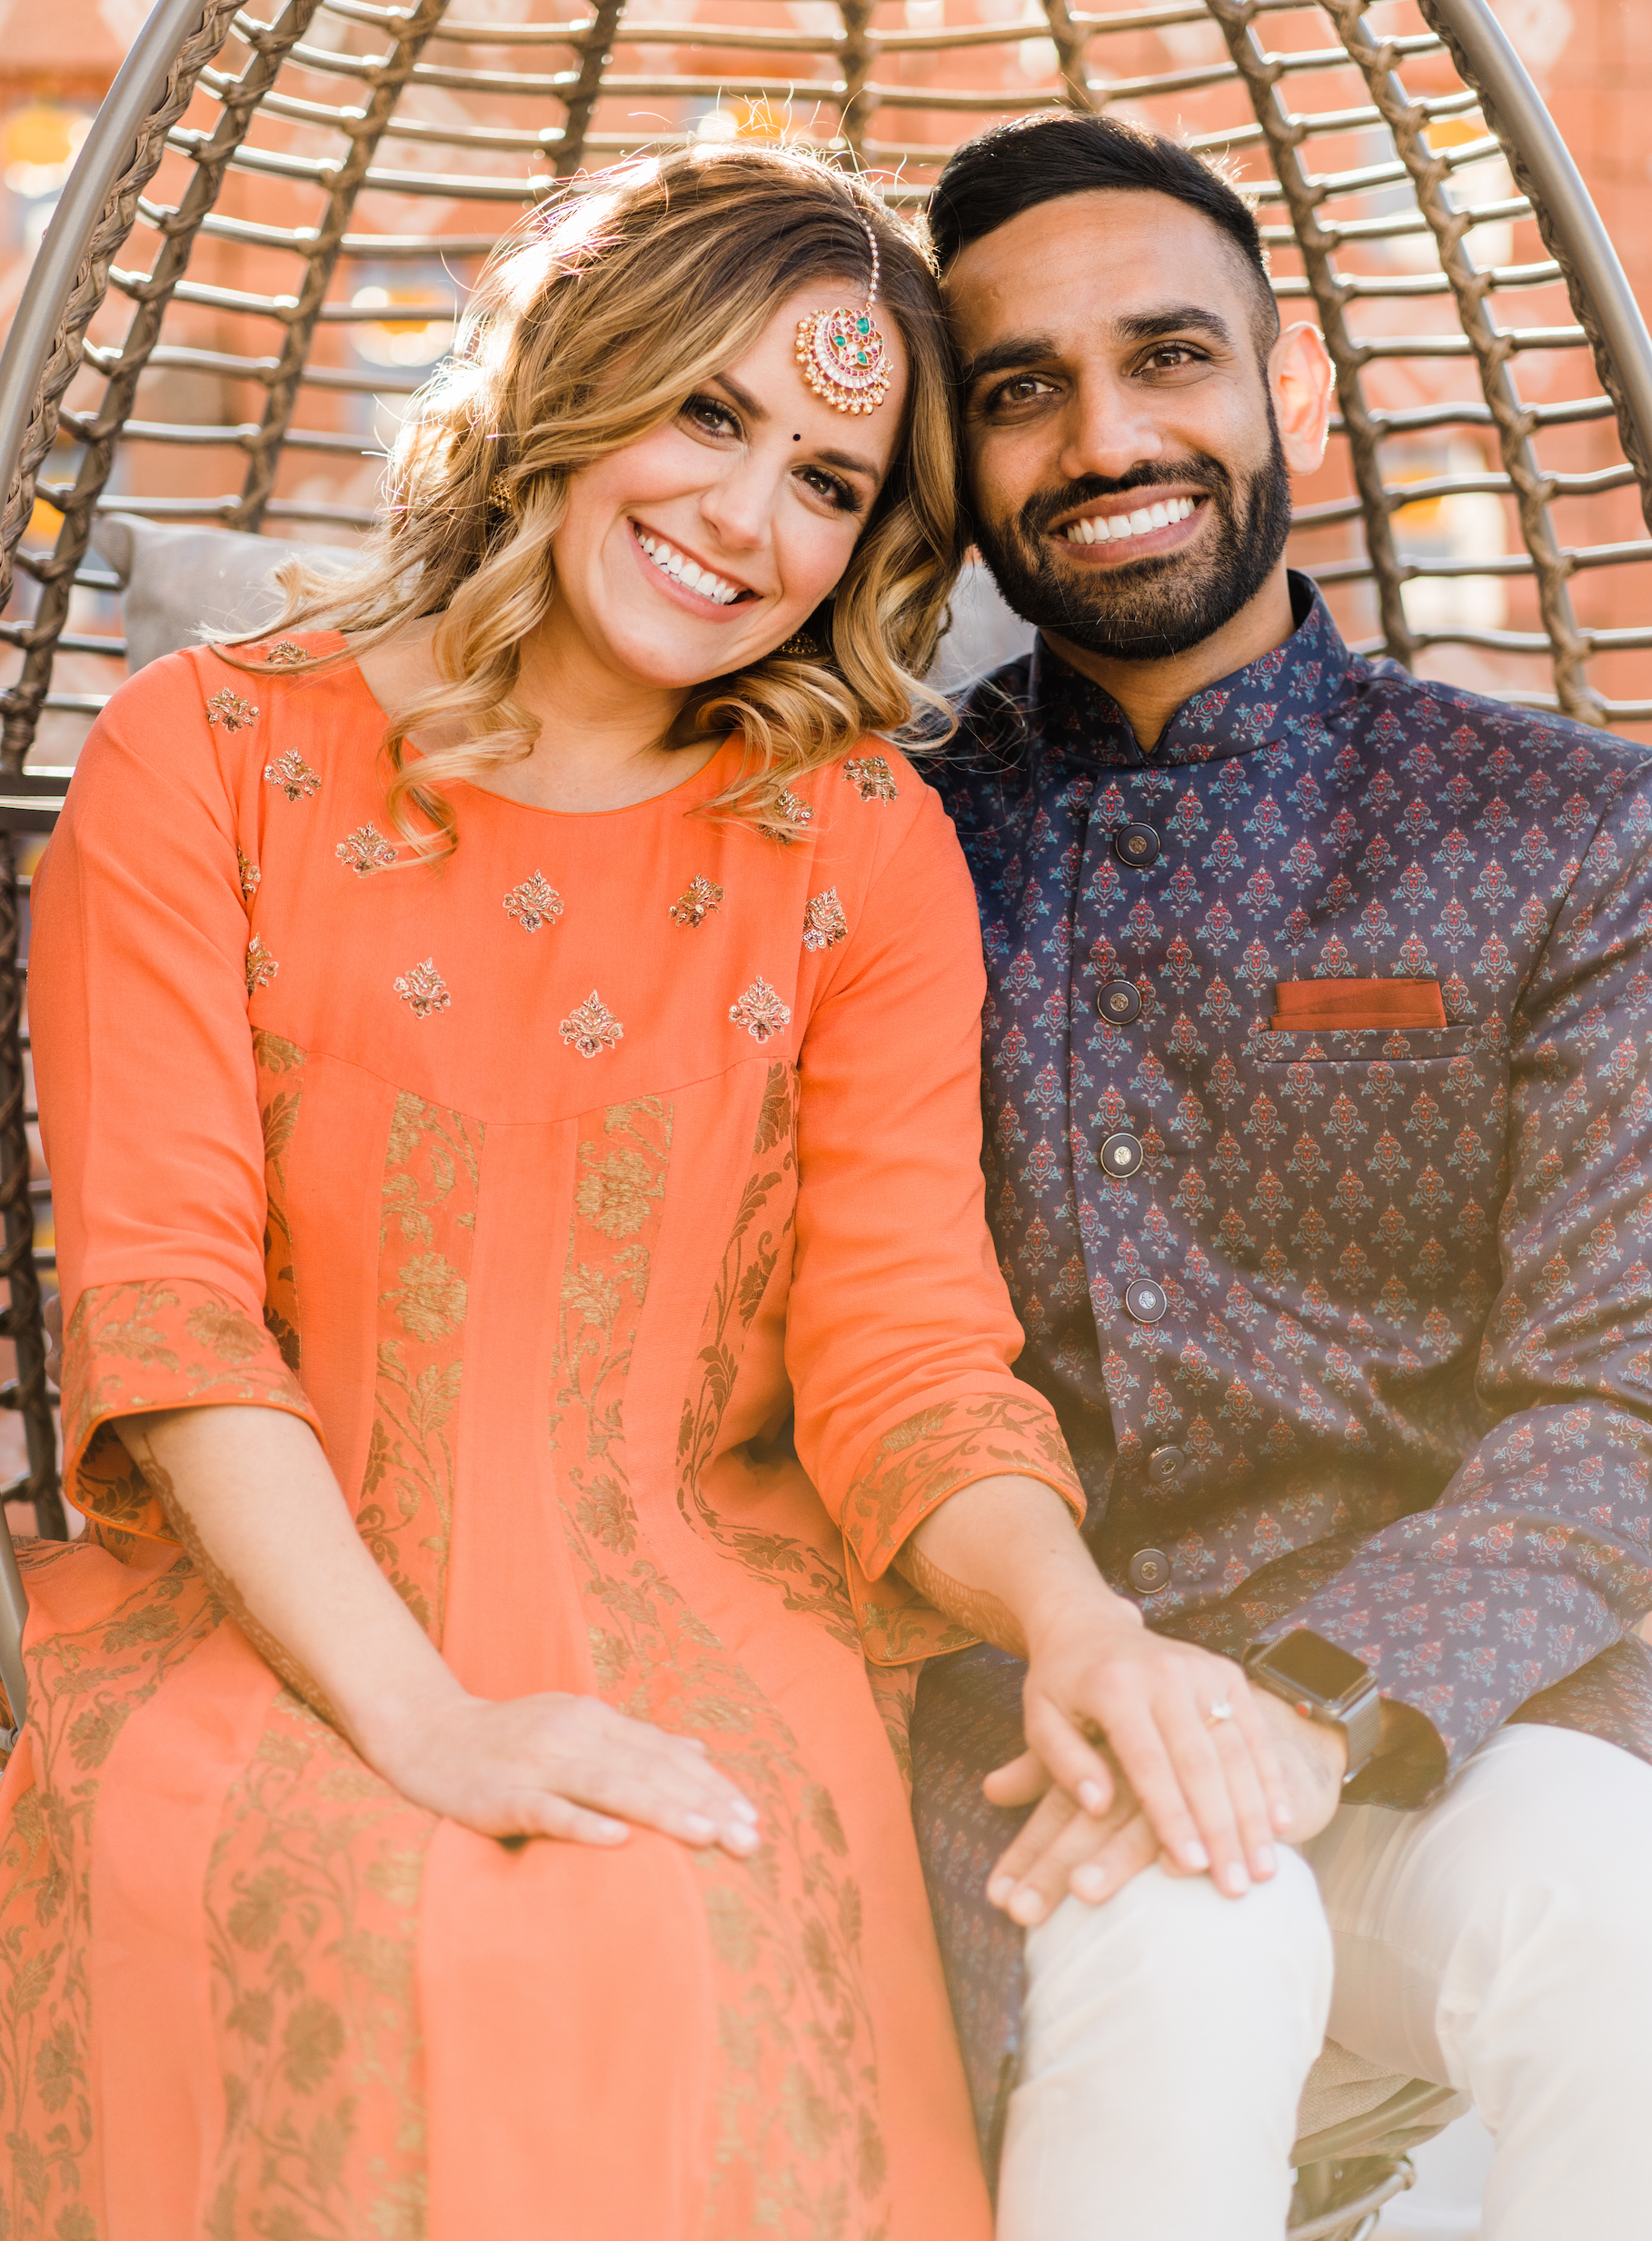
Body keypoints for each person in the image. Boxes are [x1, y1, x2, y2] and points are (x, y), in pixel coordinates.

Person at [0, 144, 1236, 2241]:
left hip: (710, 1639)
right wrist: (434, 1724)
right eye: (710, 413)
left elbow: (908, 1351)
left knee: (654, 1929)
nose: (749, 521)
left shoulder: (849, 845)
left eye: (832, 482)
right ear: (577, 382)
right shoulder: (202, 754)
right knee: (386, 1921)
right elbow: (168, 1302)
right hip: (271, 1629)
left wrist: (1078, 1620)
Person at [909, 113, 1652, 2241]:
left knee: (1634, 1914)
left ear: (1291, 392)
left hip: (1465, 1702)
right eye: (1020, 391)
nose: (1104, 436)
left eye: (1168, 357)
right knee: (1182, 1946)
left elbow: (1629, 1402)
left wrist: (1306, 1708)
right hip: (1016, 1720)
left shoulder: (1564, 836)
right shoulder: (866, 853)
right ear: (957, 465)